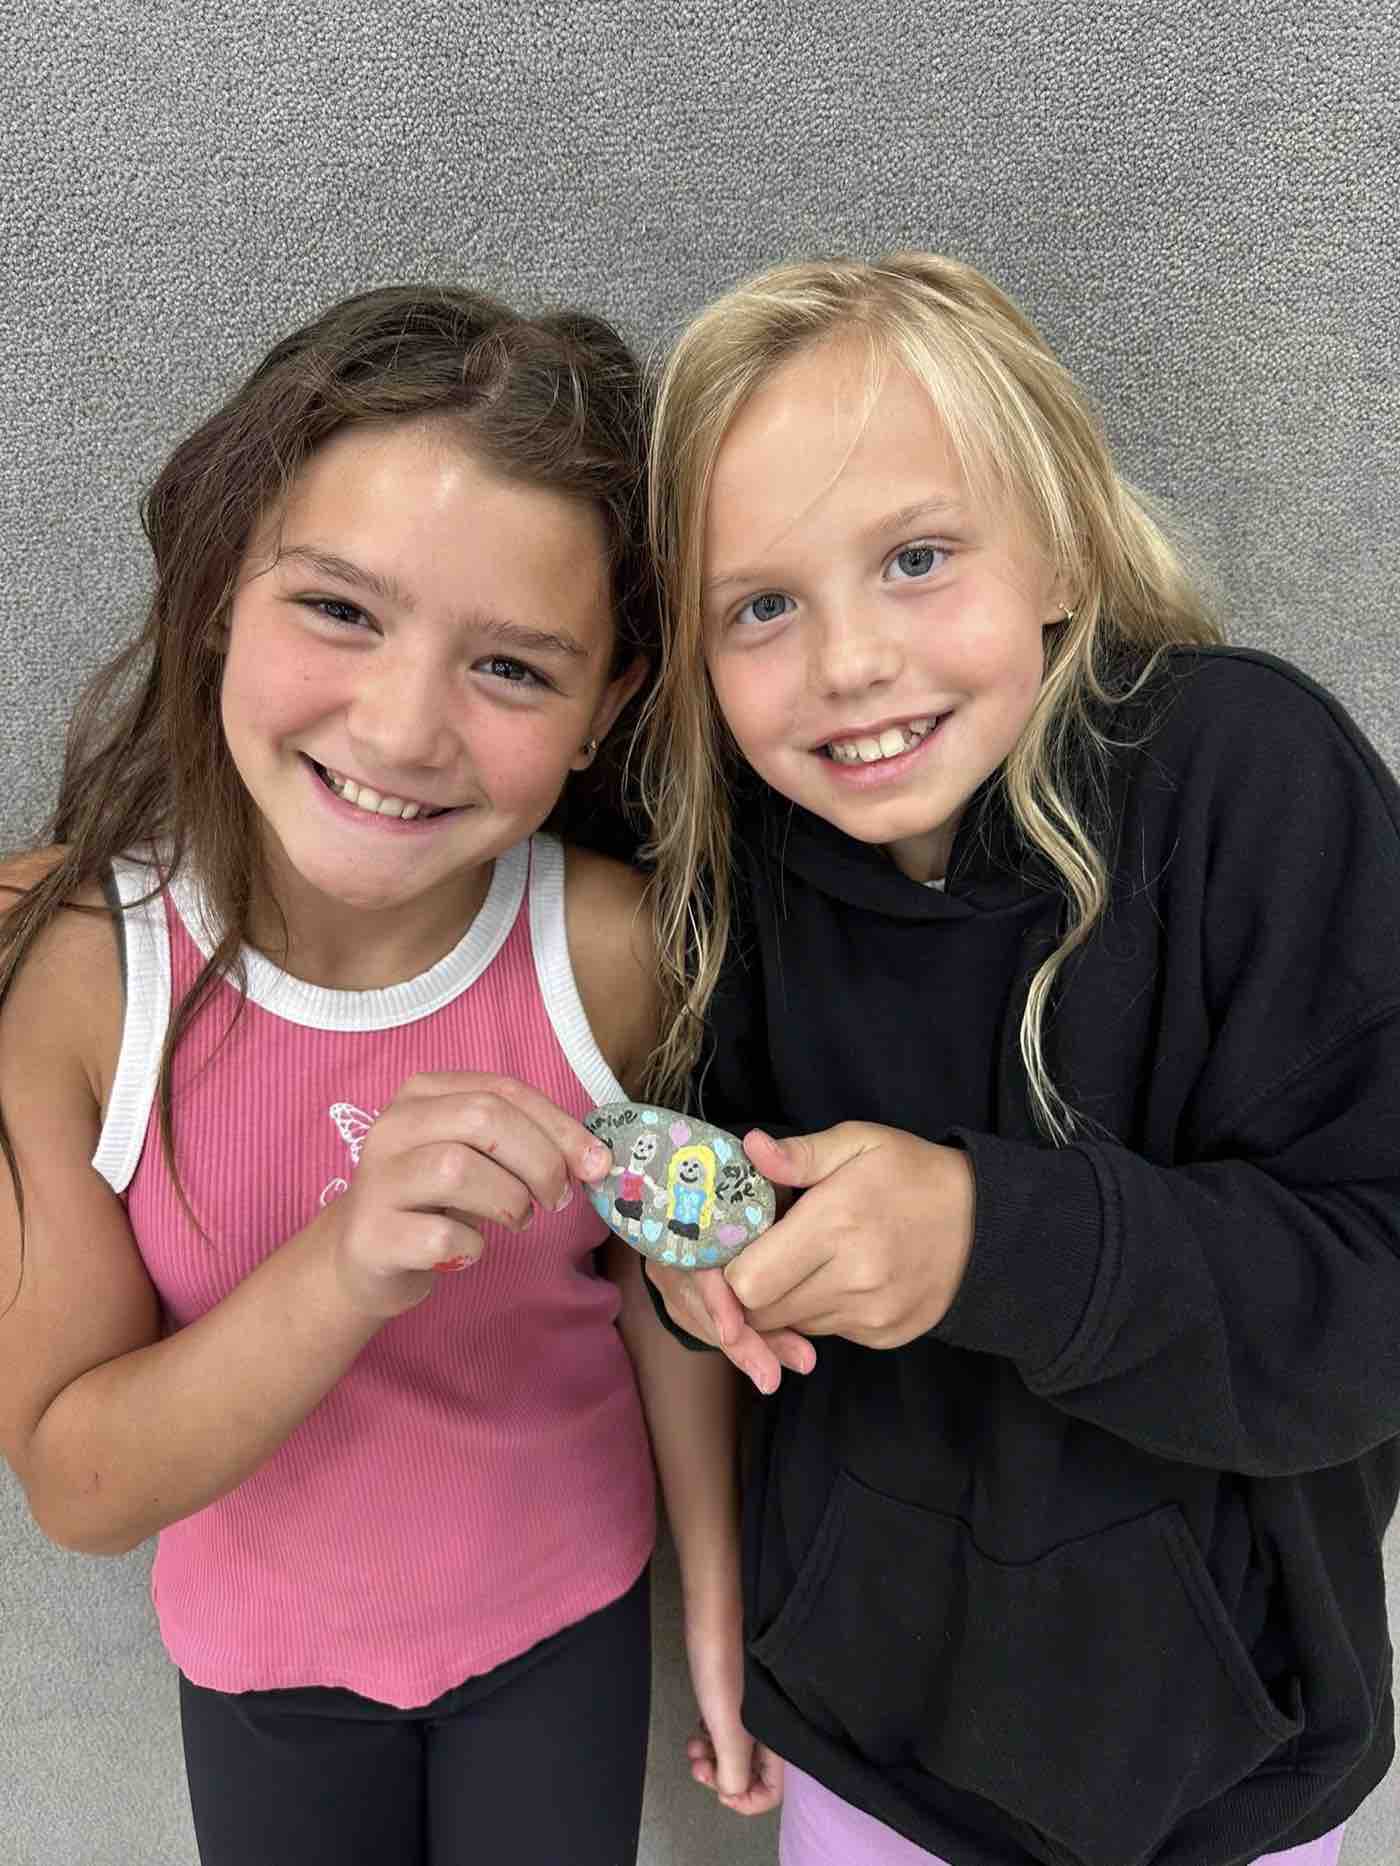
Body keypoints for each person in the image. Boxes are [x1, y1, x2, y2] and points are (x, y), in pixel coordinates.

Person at [638, 253, 1400, 1866]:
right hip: (868, 1744)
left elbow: (1372, 1283)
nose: (847, 660)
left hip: (1222, 1774)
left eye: (916, 557)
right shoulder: (746, 862)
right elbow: (713, 1166)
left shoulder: (1243, 781)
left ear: (1058, 548)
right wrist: (690, 1255)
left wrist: (992, 1239)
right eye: (761, 605)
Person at [0, 285, 771, 1866]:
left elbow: (665, 1284)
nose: (406, 726)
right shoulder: (82, 966)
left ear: (604, 707)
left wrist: (717, 1603)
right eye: (341, 610)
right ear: (221, 587)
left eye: (511, 667)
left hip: (564, 1623)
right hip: (262, 1666)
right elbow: (75, 1482)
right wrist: (343, 1263)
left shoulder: (615, 950)